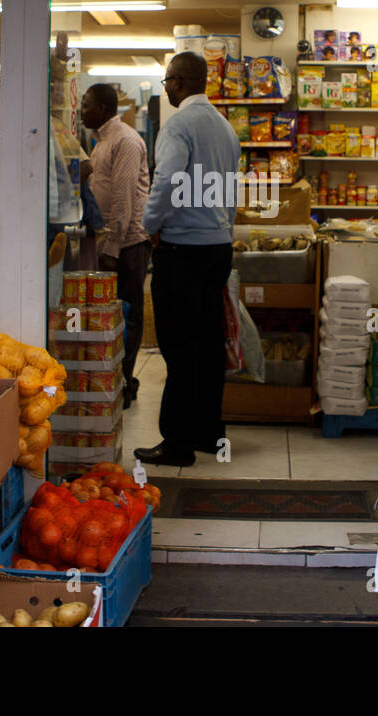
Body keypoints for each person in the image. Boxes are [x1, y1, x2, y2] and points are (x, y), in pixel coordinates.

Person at [136, 51, 241, 467]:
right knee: (208, 345)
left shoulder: (178, 125)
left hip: (182, 251)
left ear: (178, 83)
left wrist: (150, 223)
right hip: (217, 247)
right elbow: (230, 191)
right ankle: (209, 433)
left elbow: (168, 180)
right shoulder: (226, 128)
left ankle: (177, 443)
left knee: (179, 348)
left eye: (166, 83)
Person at [80, 82, 150, 409]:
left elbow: (123, 201)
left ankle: (126, 382)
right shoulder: (101, 142)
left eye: (86, 105)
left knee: (128, 315)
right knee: (111, 316)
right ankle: (115, 379)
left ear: (105, 109)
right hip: (111, 241)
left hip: (128, 245)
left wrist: (111, 248)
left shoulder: (125, 141)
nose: (82, 110)